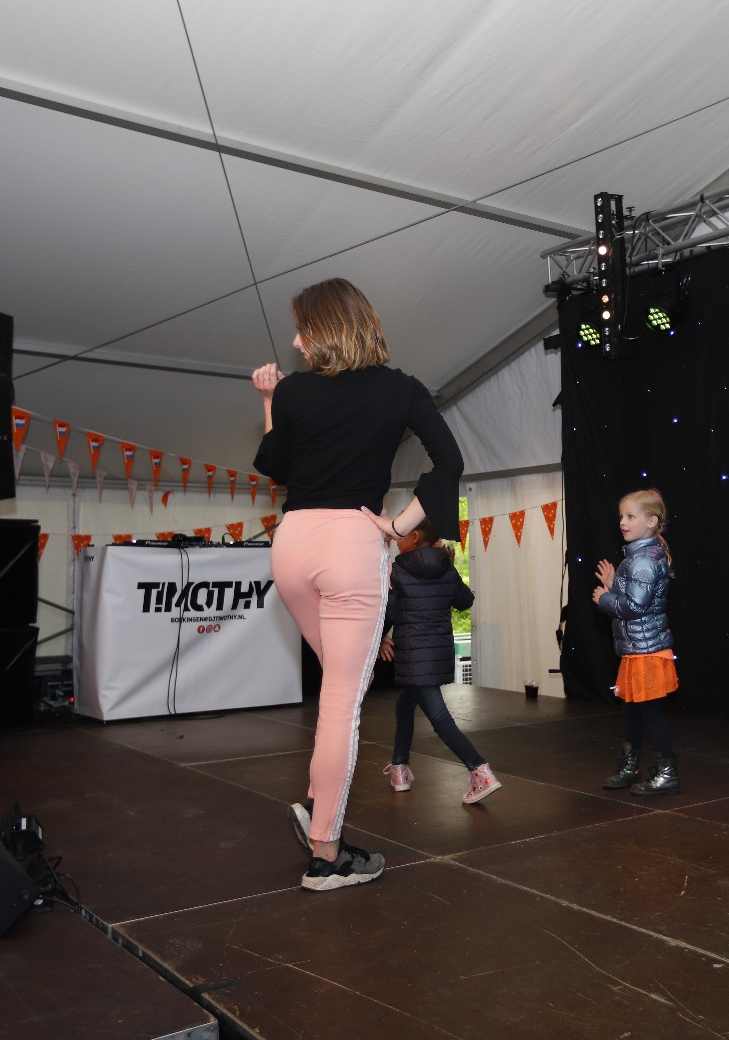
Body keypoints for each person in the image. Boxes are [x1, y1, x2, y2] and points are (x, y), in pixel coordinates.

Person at [251, 277, 462, 892]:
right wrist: (400, 526)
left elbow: (274, 467)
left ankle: (316, 804)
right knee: (342, 702)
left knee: (338, 690)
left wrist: (269, 402)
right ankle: (326, 854)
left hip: (292, 543)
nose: (296, 342)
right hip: (350, 542)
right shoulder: (402, 390)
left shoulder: (294, 392)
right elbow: (449, 463)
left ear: (329, 327)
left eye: (302, 330)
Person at [378, 518, 501, 804]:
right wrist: (450, 571)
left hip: (414, 656)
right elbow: (464, 601)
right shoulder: (446, 567)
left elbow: (389, 613)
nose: (396, 537)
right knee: (404, 705)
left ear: (415, 537)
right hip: (437, 654)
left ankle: (480, 772)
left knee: (440, 718)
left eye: (400, 533)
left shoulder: (397, 571)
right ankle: (399, 767)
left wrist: (379, 638)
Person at [591, 488, 679, 796]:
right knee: (632, 709)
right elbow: (634, 597)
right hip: (636, 649)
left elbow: (634, 607)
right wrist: (613, 584)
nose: (622, 522)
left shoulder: (643, 560)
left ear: (651, 521)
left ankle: (667, 773)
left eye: (630, 516)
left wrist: (605, 599)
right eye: (621, 516)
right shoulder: (638, 557)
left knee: (650, 712)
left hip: (647, 651)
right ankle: (630, 766)